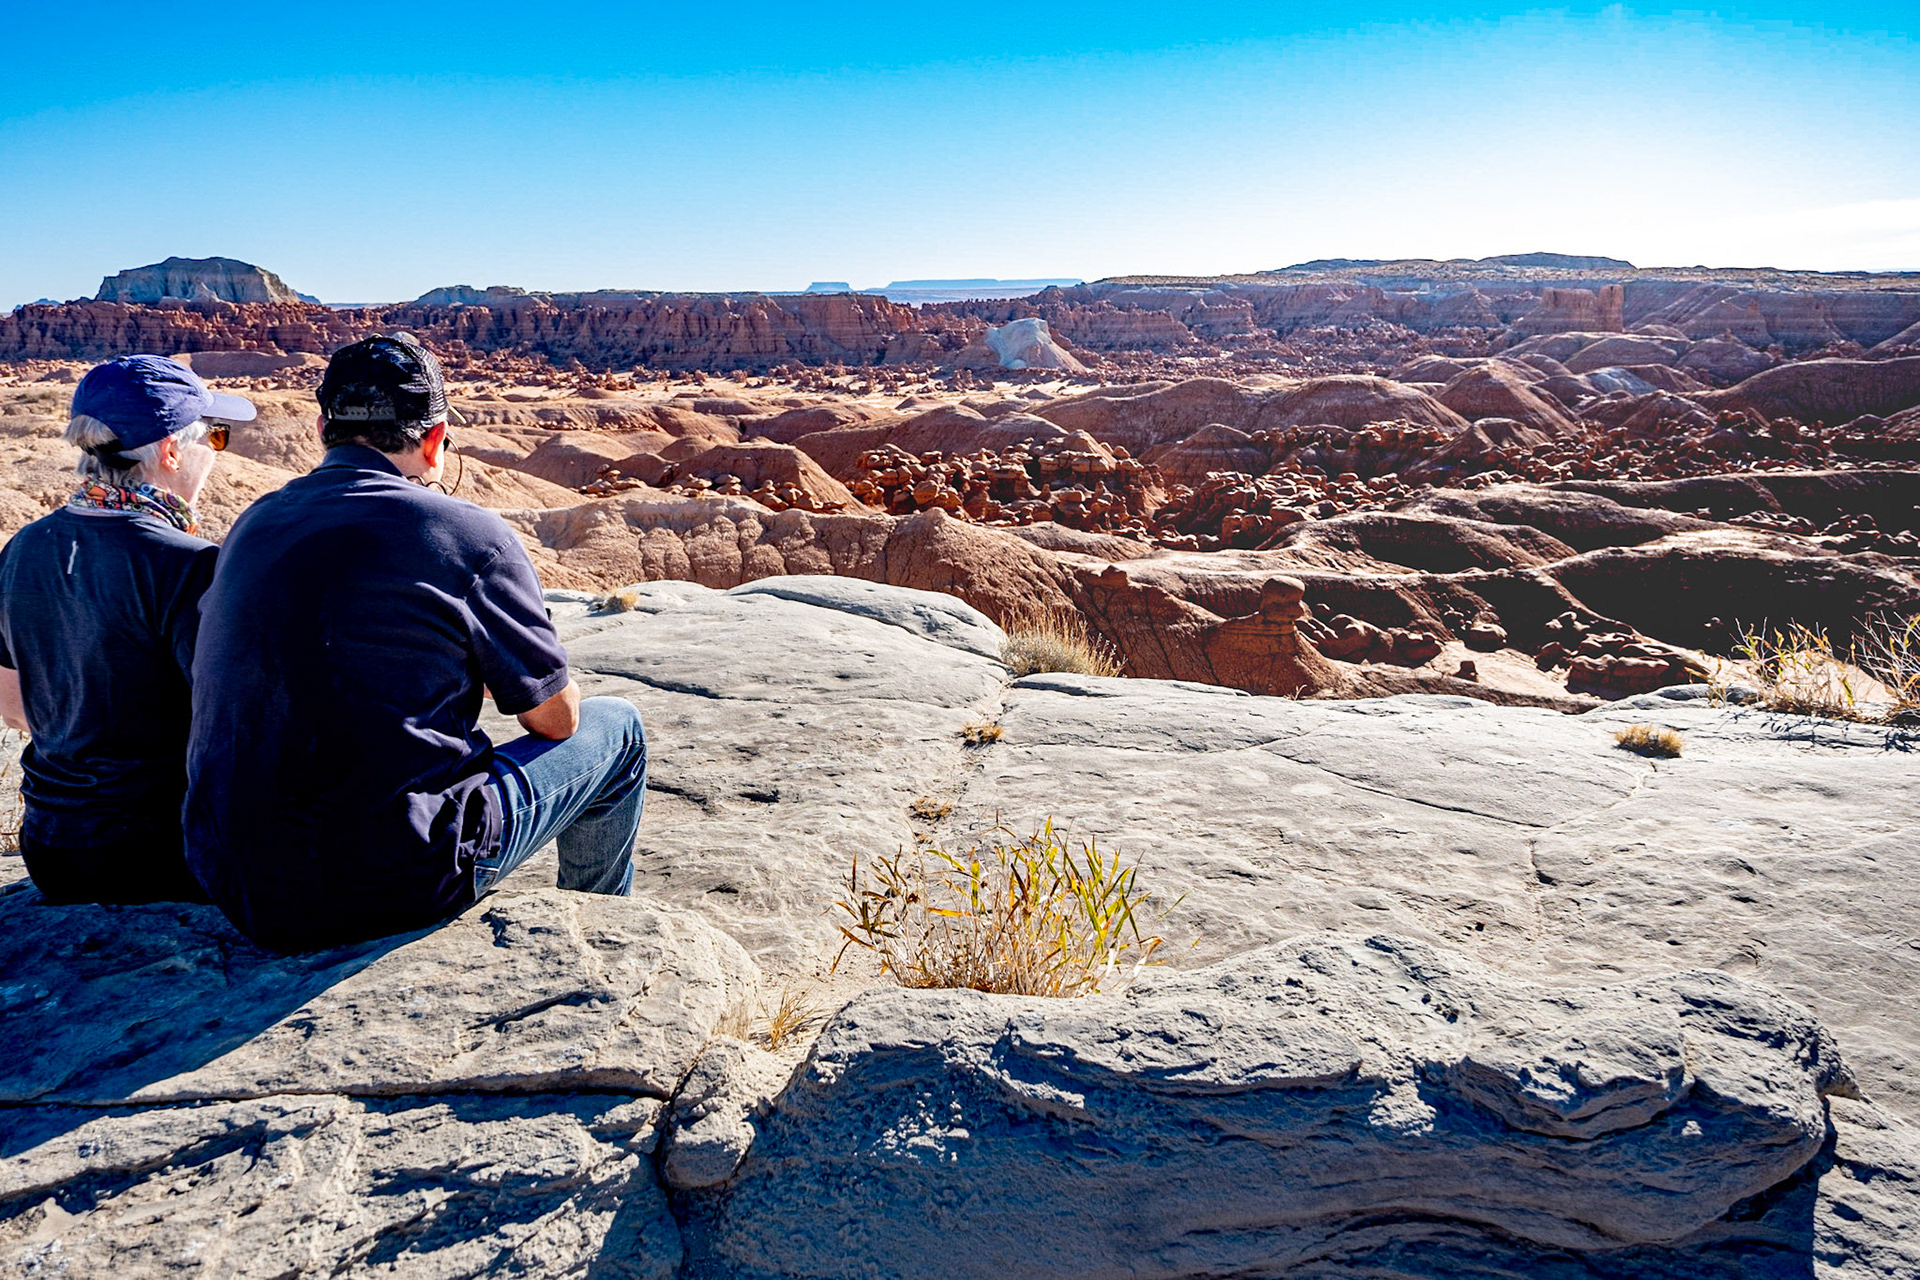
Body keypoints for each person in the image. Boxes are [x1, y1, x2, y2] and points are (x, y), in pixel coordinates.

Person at [184, 334, 647, 950]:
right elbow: (556, 721)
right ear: (434, 438)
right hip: (394, 881)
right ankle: (598, 937)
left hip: (234, 879)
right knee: (616, 725)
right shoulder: (467, 533)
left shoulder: (253, 523)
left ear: (324, 428)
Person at [0, 355, 253, 903]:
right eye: (213, 438)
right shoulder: (189, 566)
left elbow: (15, 704)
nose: (215, 454)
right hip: (162, 852)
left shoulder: (22, 549)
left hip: (51, 848)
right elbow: (232, 727)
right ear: (168, 450)